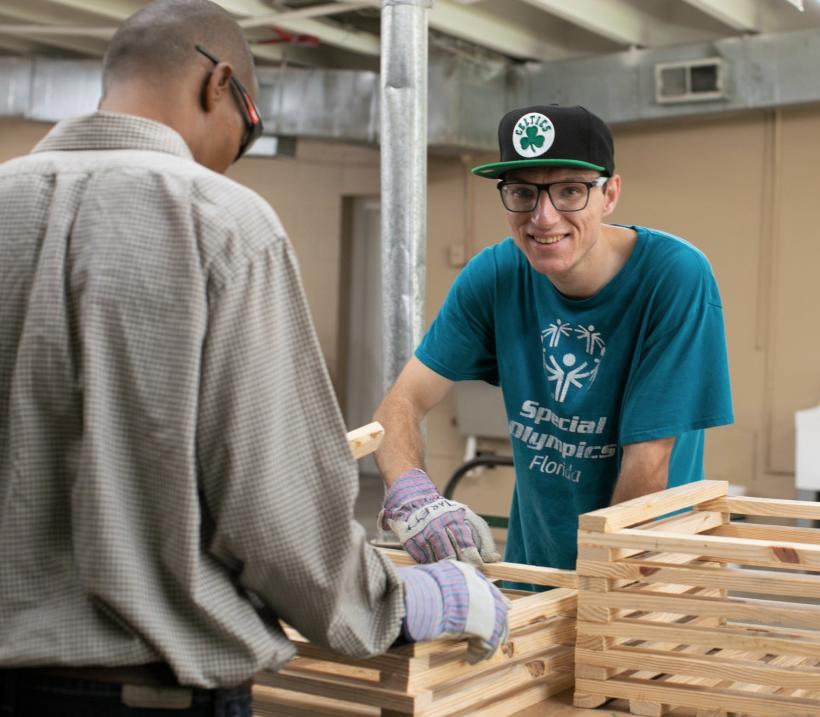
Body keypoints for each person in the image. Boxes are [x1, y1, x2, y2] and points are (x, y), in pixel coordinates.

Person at [0, 1, 506, 715]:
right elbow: (274, 511)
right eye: (251, 125)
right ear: (220, 86)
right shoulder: (220, 222)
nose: (240, 146)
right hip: (147, 691)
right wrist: (401, 600)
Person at [375, 104, 734, 580]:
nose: (543, 217)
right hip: (535, 572)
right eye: (523, 193)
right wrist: (414, 495)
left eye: (569, 191)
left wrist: (596, 586)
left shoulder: (674, 277)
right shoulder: (497, 274)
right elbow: (401, 402)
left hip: (647, 573)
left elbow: (649, 460)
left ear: (609, 195)